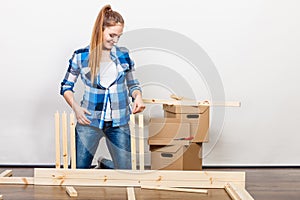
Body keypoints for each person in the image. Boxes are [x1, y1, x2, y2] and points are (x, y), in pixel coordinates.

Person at [60, 4, 145, 169]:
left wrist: (138, 97)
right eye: (112, 35)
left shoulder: (123, 55)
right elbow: (66, 86)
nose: (115, 40)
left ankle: (104, 163)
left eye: (118, 36)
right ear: (100, 30)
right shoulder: (81, 56)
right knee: (78, 172)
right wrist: (76, 108)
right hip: (89, 121)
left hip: (119, 122)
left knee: (125, 174)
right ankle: (100, 164)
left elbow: (133, 84)